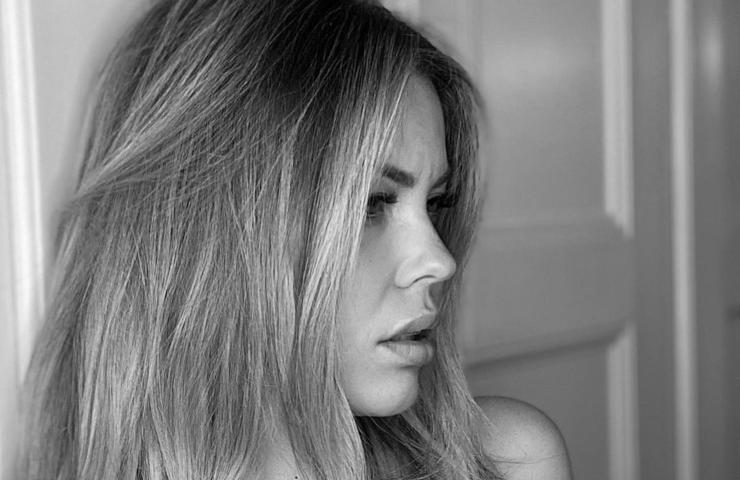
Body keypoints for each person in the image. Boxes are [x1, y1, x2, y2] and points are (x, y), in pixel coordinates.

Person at [19, 0, 571, 479]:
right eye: (371, 203)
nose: (439, 261)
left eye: (435, 203)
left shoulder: (506, 463)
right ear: (214, 230)